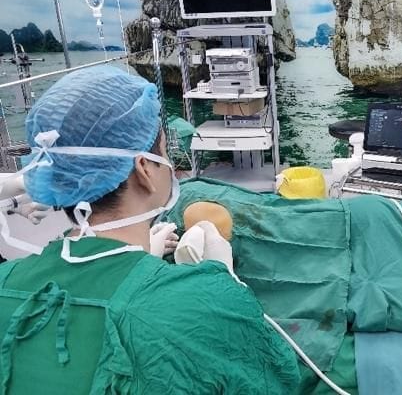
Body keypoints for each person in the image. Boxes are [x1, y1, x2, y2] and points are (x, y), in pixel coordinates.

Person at [0, 66, 299, 394]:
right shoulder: (204, 305)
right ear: (144, 168)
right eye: (165, 152)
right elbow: (275, 378)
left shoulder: (6, 280)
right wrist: (227, 285)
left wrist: (142, 260)